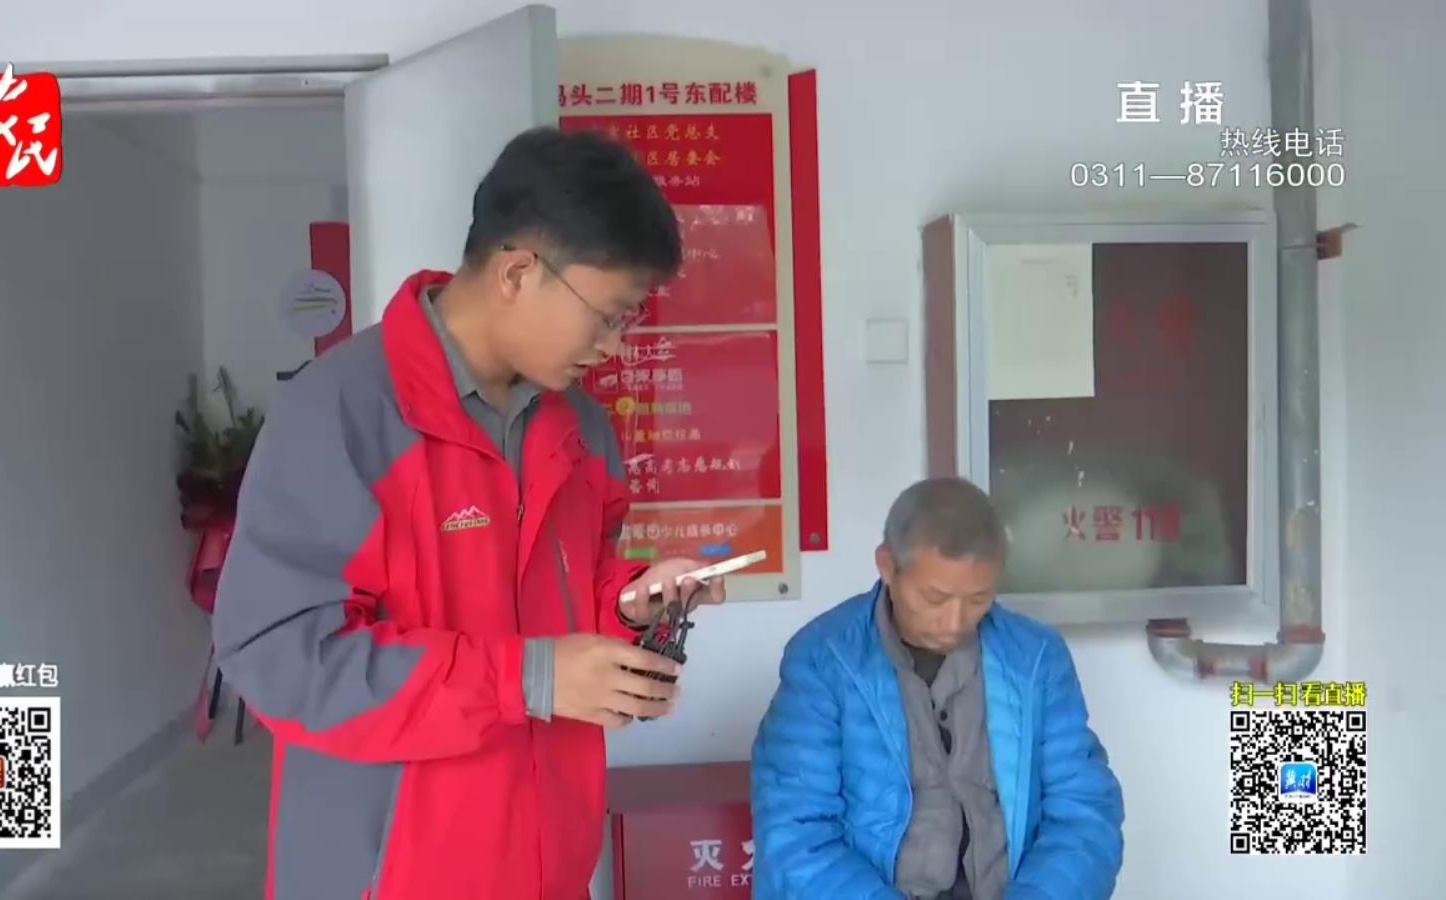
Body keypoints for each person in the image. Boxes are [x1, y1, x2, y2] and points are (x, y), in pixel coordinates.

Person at [211, 126, 726, 900]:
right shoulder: (342, 414)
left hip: (550, 866)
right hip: (391, 877)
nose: (615, 346)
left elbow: (564, 599)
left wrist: (629, 603)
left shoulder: (581, 429)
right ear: (519, 271)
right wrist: (528, 679)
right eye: (608, 315)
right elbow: (283, 655)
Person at [750, 477, 1123, 899]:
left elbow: (1084, 814)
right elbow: (797, 834)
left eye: (978, 599)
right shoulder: (825, 659)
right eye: (934, 598)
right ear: (887, 566)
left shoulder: (1036, 659)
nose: (955, 622)